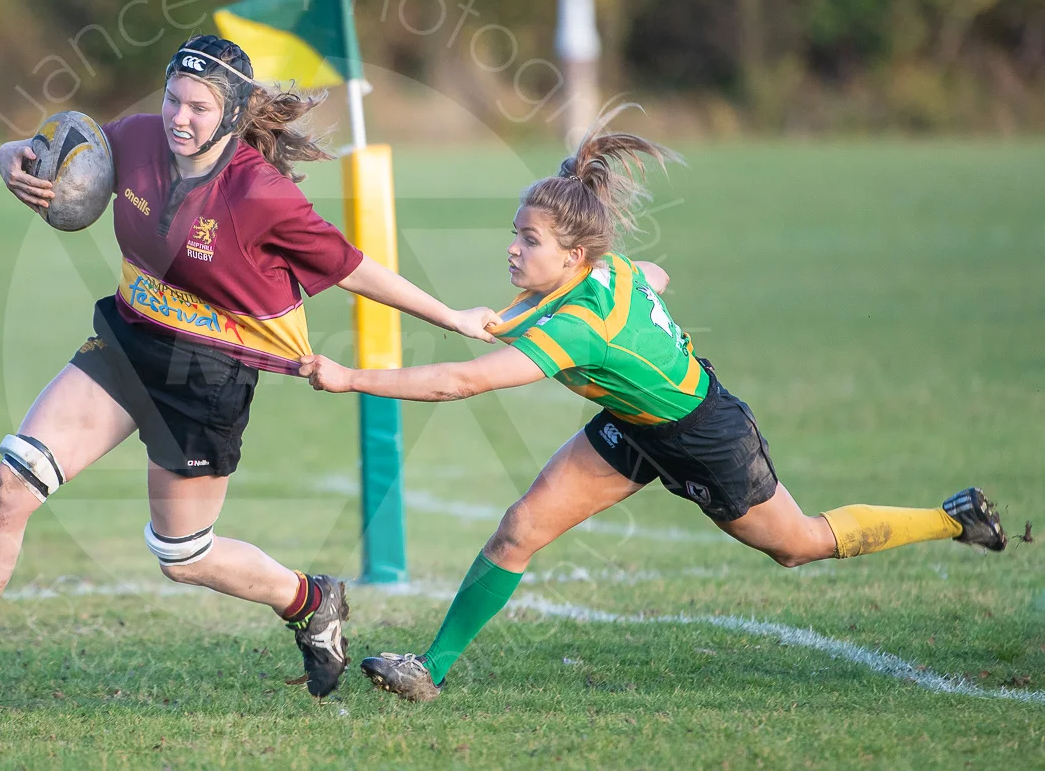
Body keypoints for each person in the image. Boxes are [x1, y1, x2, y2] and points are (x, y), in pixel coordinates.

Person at [0, 35, 501, 698]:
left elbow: (354, 268)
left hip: (207, 377)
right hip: (128, 342)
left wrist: (453, 317)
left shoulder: (260, 193)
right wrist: (10, 164)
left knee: (182, 555)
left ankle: (310, 601)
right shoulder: (133, 138)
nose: (179, 118)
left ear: (233, 113)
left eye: (197, 107)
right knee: (9, 485)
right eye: (171, 100)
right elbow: (46, 155)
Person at [298, 106, 1008, 702]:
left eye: (528, 240)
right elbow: (652, 272)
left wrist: (349, 376)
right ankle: (431, 670)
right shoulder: (604, 270)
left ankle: (954, 519)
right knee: (519, 531)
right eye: (515, 233)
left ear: (573, 256)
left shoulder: (578, 327)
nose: (512, 249)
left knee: (798, 546)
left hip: (705, 433)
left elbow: (461, 383)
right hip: (633, 427)